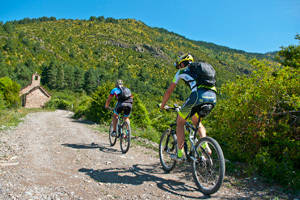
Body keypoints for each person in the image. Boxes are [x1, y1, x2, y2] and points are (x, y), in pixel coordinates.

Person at [160, 53, 217, 161]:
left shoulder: (181, 71)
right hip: (213, 97)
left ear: (182, 64)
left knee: (180, 122)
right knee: (196, 120)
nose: (179, 67)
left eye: (179, 65)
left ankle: (180, 155)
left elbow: (169, 91)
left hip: (197, 96)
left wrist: (162, 105)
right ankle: (205, 145)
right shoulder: (200, 70)